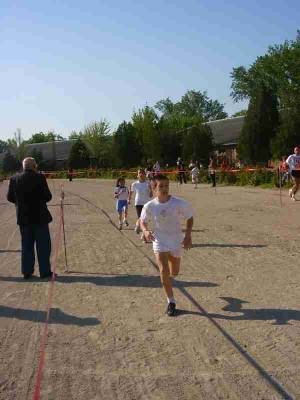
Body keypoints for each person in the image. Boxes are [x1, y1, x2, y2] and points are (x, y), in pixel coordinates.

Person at [140, 174, 194, 317]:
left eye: (166, 185)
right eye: (161, 186)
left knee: (174, 272)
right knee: (163, 270)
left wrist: (188, 235)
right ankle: (171, 302)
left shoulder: (178, 203)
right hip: (159, 241)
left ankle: (171, 260)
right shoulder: (150, 205)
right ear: (154, 188)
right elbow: (142, 220)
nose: (164, 189)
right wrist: (145, 231)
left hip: (176, 240)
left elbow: (190, 217)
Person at [6, 157, 53, 279]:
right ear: (34, 166)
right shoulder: (40, 177)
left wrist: (19, 203)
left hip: (23, 217)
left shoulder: (14, 178)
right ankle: (45, 271)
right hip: (39, 217)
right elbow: (48, 197)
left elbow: (9, 197)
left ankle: (27, 271)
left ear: (23, 166)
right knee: (43, 246)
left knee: (26, 245)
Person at [129, 168, 153, 241]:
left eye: (142, 173)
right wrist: (128, 199)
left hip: (147, 203)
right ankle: (137, 225)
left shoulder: (148, 183)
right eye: (139, 173)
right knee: (140, 217)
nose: (141, 174)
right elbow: (131, 192)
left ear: (145, 174)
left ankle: (143, 235)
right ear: (137, 175)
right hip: (138, 202)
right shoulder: (135, 184)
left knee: (145, 219)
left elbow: (151, 196)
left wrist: (150, 189)